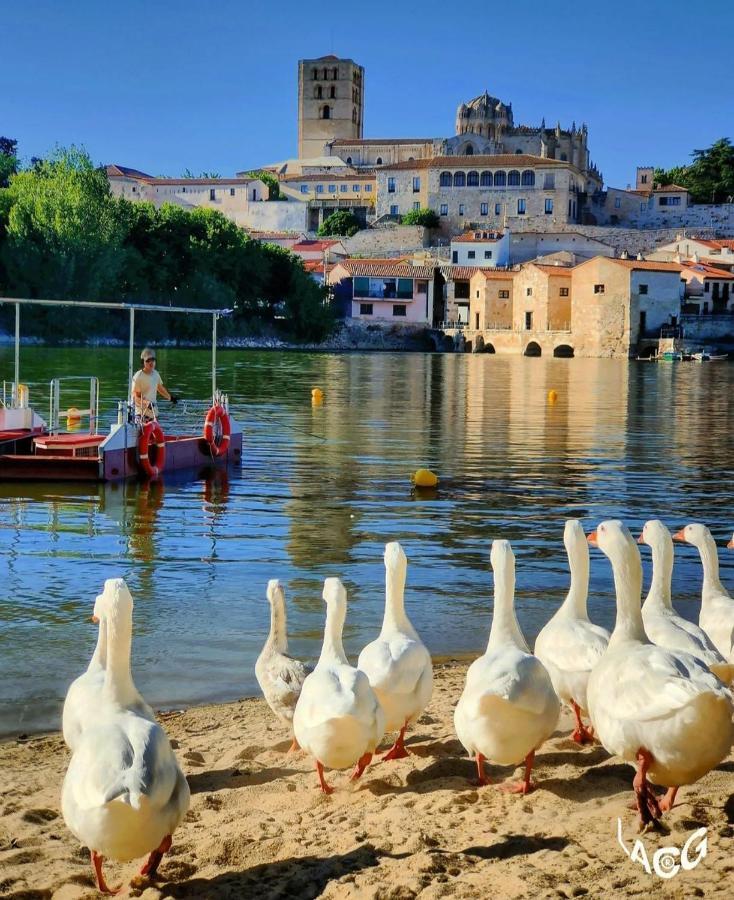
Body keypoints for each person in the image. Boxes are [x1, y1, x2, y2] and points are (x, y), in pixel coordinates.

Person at [131, 347, 178, 421]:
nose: (151, 362)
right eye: (148, 360)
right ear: (143, 362)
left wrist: (171, 398)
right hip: (141, 415)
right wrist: (146, 403)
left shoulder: (156, 374)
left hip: (154, 415)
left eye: (153, 360)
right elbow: (135, 398)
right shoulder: (138, 377)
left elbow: (160, 388)